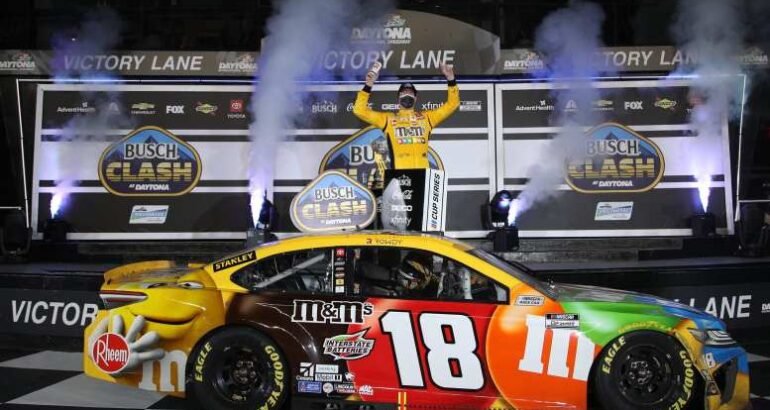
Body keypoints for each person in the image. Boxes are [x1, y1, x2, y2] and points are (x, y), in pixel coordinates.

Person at [353, 63, 459, 170]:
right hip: (399, 175)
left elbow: (453, 104)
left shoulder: (427, 118)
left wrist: (451, 79)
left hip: (423, 175)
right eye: (404, 92)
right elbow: (359, 110)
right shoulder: (388, 119)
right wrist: (368, 84)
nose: (407, 94)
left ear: (415, 98)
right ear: (398, 98)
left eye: (410, 92)